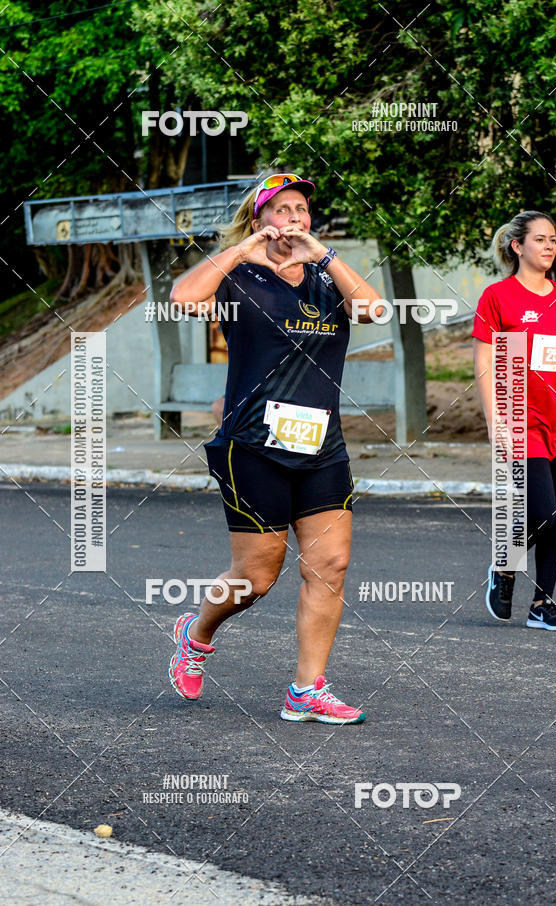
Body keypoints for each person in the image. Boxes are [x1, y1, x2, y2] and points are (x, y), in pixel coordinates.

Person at [168, 173, 383, 722]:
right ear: (261, 218)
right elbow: (182, 297)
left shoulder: (328, 277)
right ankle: (196, 633)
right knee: (257, 578)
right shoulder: (237, 277)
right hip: (252, 444)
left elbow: (375, 311)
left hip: (321, 443)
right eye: (281, 209)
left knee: (330, 564)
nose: (294, 217)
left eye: (302, 208)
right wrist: (241, 248)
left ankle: (306, 691)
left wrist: (326, 255)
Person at [473, 210, 556, 631]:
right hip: (522, 417)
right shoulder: (498, 297)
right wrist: (494, 421)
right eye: (540, 239)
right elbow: (484, 362)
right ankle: (505, 566)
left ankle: (543, 604)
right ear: (517, 246)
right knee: (542, 511)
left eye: (553, 239)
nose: (549, 246)